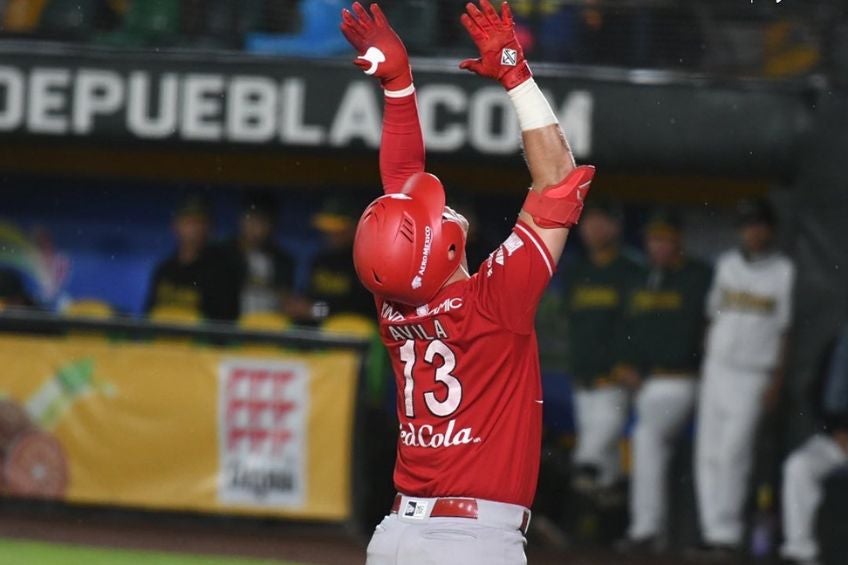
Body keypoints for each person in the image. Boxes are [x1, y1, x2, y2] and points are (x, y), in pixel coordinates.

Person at [340, 1, 594, 563]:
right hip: (472, 542)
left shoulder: (394, 299)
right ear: (446, 245)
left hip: (396, 537)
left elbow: (401, 191)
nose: (440, 202)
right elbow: (557, 175)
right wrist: (514, 72)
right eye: (438, 212)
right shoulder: (492, 301)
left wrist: (399, 85)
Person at [694, 197, 796, 557]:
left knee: (733, 453)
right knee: (707, 453)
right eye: (747, 225)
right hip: (718, 368)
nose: (752, 231)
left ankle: (727, 533)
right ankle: (711, 531)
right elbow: (711, 317)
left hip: (754, 372)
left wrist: (776, 380)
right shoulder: (726, 265)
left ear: (769, 229)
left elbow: (785, 331)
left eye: (758, 224)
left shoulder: (784, 271)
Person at [615, 210, 712, 552]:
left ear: (678, 241)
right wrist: (627, 364)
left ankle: (649, 529)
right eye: (652, 239)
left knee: (646, 436)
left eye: (664, 239)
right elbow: (633, 332)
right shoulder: (644, 279)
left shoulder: (698, 277)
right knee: (642, 439)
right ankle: (653, 531)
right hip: (650, 381)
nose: (657, 246)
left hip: (686, 379)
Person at [564, 199, 641, 495]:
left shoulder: (632, 269)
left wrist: (631, 362)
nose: (594, 228)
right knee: (604, 469)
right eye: (589, 221)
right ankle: (602, 524)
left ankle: (580, 481)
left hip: (618, 377)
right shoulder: (577, 271)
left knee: (591, 455)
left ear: (616, 226)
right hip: (584, 376)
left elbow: (640, 324)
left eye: (601, 221)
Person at [780, 321, 848, 565]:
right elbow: (817, 393)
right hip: (837, 440)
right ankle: (801, 552)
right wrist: (834, 430)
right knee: (798, 466)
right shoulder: (839, 342)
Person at [145, 194, 240, 322]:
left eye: (199, 222)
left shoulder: (222, 271)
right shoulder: (164, 270)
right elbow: (148, 318)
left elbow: (223, 326)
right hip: (162, 341)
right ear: (175, 226)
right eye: (188, 222)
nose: (194, 229)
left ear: (210, 227)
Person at [294, 196, 374, 323]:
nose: (329, 234)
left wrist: (314, 311)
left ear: (353, 228)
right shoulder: (319, 260)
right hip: (319, 334)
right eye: (326, 228)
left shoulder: (364, 264)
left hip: (352, 333)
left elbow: (358, 309)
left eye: (336, 229)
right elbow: (311, 300)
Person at [222, 191, 297, 317]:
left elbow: (286, 300)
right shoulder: (224, 254)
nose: (255, 228)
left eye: (261, 221)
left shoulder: (283, 260)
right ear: (241, 220)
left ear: (272, 226)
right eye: (251, 219)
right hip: (230, 328)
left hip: (269, 328)